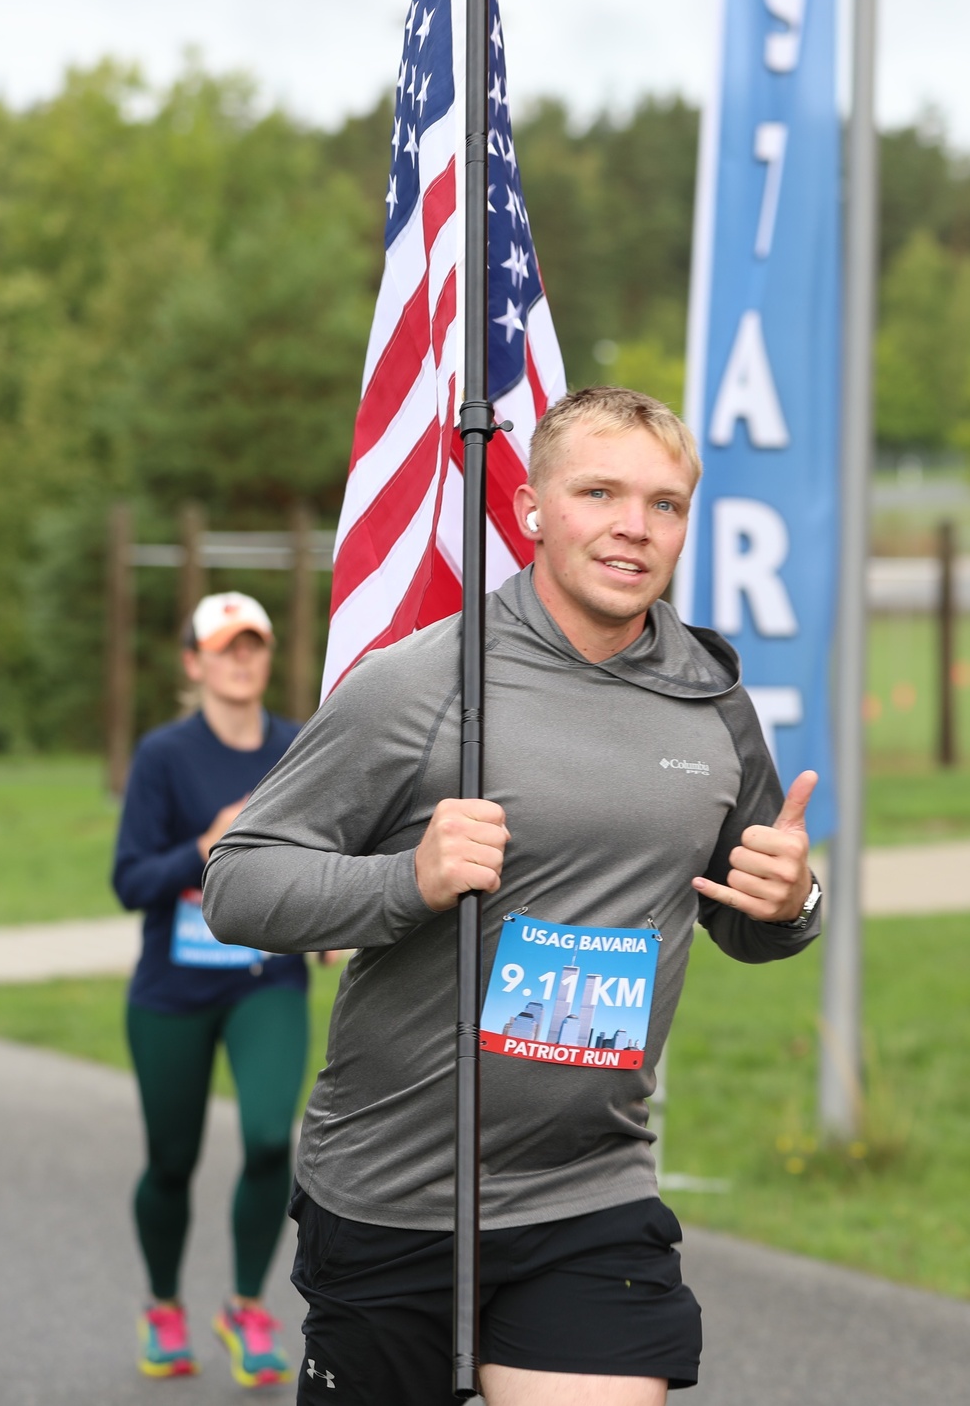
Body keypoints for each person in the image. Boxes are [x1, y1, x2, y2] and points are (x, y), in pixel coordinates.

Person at [202, 389, 822, 1406]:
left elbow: (747, 922)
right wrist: (409, 880)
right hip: (400, 1193)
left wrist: (791, 904)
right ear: (531, 508)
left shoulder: (712, 701)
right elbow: (239, 883)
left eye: (664, 504)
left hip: (589, 1189)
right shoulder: (423, 682)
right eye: (600, 492)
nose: (634, 526)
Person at [113, 590, 317, 1388]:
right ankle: (163, 1304)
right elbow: (130, 880)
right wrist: (207, 846)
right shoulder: (165, 755)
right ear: (194, 662)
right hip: (171, 990)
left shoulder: (299, 747)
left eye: (254, 644)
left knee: (271, 1137)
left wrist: (326, 916)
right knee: (172, 1160)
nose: (242, 658)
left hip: (265, 980)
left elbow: (321, 854)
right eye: (225, 646)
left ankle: (245, 1306)